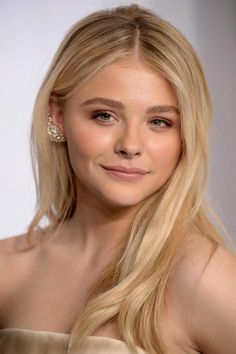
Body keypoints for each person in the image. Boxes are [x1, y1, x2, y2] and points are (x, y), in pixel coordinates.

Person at [0, 3, 235, 354]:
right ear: (58, 116)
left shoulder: (202, 277)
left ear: (185, 135)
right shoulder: (7, 268)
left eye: (160, 122)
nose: (130, 145)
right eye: (104, 115)